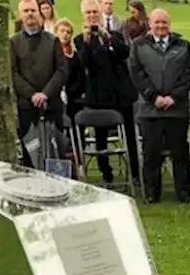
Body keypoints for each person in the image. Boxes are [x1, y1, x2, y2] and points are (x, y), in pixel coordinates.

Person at [128, 8, 190, 203]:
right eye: (157, 22)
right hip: (151, 110)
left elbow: (188, 73)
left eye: (164, 22)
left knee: (180, 153)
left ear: (170, 24)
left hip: (177, 109)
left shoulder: (183, 45)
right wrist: (153, 97)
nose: (160, 26)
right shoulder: (138, 45)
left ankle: (184, 192)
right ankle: (152, 193)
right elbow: (137, 74)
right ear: (150, 24)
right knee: (151, 154)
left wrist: (174, 96)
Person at [76, 0, 140, 185]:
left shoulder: (115, 35)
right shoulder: (81, 39)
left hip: (122, 94)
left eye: (94, 12)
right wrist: (89, 40)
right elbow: (84, 63)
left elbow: (125, 52)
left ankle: (134, 173)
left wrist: (107, 37)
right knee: (101, 138)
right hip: (99, 96)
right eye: (87, 13)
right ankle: (107, 173)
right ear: (83, 16)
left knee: (129, 136)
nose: (92, 15)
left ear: (101, 13)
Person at [11, 0, 69, 165]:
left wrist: (45, 93)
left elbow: (62, 71)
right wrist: (32, 94)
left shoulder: (53, 41)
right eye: (26, 11)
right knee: (31, 152)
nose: (30, 14)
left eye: (33, 10)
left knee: (57, 151)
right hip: (27, 106)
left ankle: (58, 187)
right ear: (21, 15)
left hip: (52, 105)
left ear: (40, 13)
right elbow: (13, 73)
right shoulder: (14, 42)